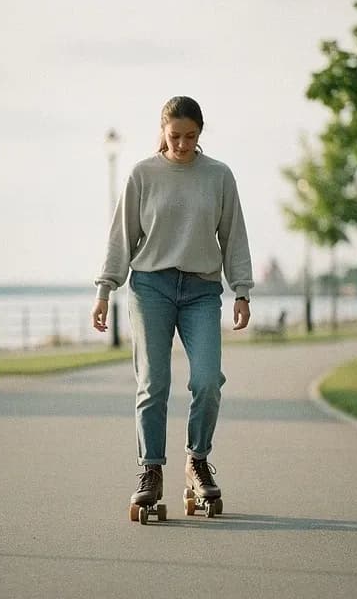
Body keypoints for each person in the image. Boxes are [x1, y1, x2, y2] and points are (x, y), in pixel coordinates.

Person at [91, 96, 254, 516]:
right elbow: (121, 236)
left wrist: (241, 290)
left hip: (201, 289)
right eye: (175, 136)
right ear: (163, 132)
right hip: (151, 288)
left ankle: (197, 461)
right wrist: (105, 289)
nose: (182, 144)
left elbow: (233, 236)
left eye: (191, 137)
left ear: (200, 133)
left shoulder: (218, 176)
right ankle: (150, 469)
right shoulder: (143, 174)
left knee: (206, 380)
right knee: (154, 381)